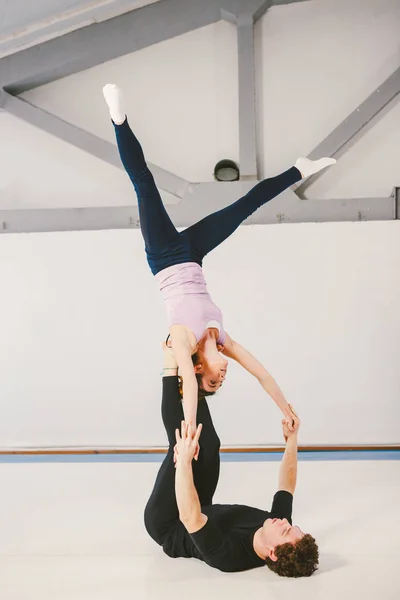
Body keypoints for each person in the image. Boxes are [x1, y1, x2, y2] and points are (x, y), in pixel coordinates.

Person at [103, 84, 336, 430]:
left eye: (213, 381)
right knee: (244, 207)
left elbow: (190, 394)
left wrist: (191, 430)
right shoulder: (223, 340)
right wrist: (285, 409)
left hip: (165, 257)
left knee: (144, 182)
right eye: (220, 383)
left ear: (198, 369)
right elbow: (261, 373)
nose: (221, 377)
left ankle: (118, 120)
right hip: (193, 255)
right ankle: (299, 171)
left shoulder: (182, 341)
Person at [144, 344, 319, 577]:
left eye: (287, 532)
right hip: (202, 507)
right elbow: (287, 485)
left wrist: (184, 460)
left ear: (273, 553)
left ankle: (170, 362)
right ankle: (192, 373)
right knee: (210, 445)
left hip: (171, 523)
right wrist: (292, 439)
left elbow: (189, 516)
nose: (286, 522)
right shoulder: (276, 524)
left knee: (183, 444)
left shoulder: (228, 556)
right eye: (293, 527)